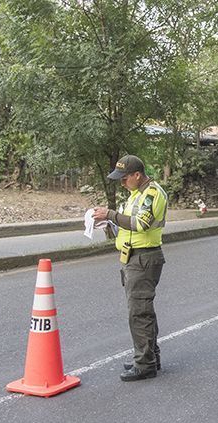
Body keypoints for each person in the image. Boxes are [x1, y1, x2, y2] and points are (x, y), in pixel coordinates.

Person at [93, 155, 168, 381]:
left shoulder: (152, 193)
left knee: (139, 313)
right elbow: (129, 227)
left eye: (125, 179)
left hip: (144, 258)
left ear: (137, 175)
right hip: (134, 257)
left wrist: (111, 214)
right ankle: (150, 357)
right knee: (143, 311)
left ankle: (145, 365)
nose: (122, 183)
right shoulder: (136, 194)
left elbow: (141, 224)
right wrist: (110, 222)